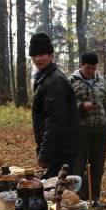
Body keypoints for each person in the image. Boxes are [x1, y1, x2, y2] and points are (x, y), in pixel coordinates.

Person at [29, 32, 80, 179]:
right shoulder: (45, 78)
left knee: (56, 196)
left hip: (61, 152)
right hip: (58, 151)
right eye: (34, 55)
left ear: (51, 55)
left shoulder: (54, 81)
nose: (37, 59)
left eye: (41, 54)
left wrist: (44, 157)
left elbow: (55, 123)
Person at [69, 52, 106, 207]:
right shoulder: (71, 81)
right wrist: (81, 106)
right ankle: (79, 200)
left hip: (100, 130)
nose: (90, 71)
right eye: (88, 68)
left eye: (93, 68)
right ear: (81, 65)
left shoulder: (101, 81)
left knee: (98, 166)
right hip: (81, 130)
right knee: (79, 166)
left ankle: (94, 199)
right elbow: (65, 106)